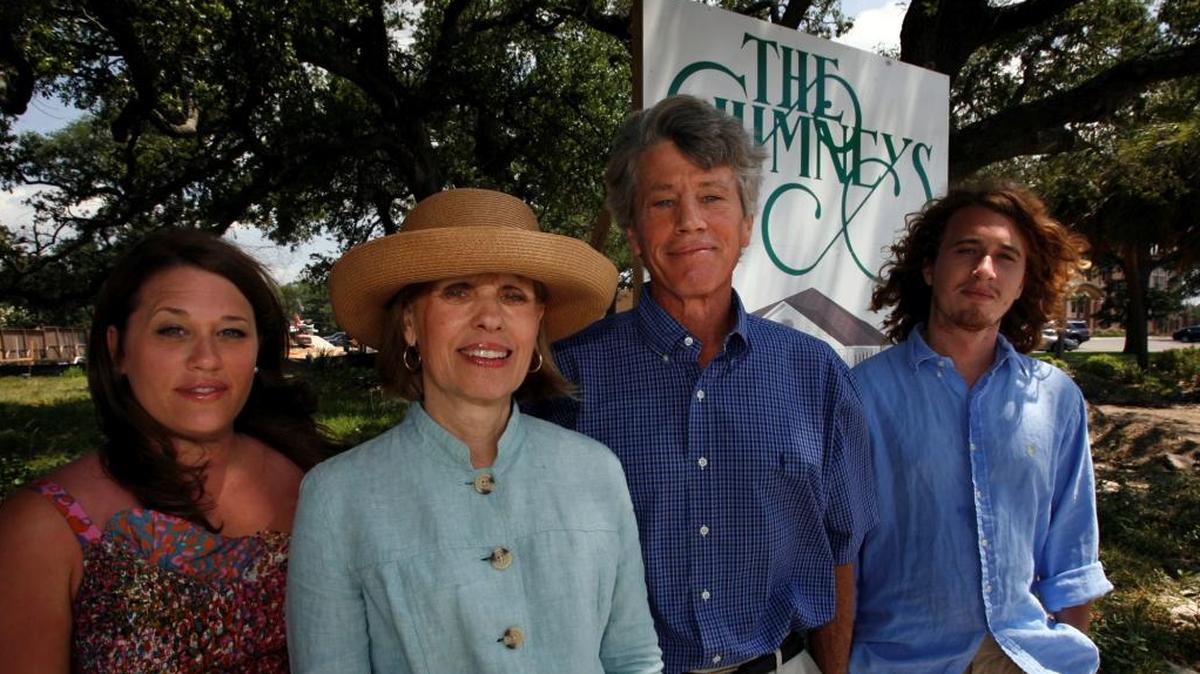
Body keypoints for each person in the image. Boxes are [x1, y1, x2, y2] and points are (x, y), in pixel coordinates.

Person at [537, 95, 877, 674]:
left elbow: (840, 548)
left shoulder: (815, 374)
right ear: (634, 233)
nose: (690, 220)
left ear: (747, 225)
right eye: (663, 202)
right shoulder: (567, 380)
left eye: (713, 198)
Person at [286, 188, 663, 674]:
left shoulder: (597, 471)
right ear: (409, 323)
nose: (490, 318)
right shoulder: (338, 498)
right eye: (458, 291)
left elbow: (632, 657)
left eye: (513, 295)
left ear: (537, 324)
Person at [0, 229, 334, 673]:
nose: (206, 358)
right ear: (117, 349)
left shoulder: (322, 483)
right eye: (173, 330)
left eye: (231, 332)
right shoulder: (40, 529)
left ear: (258, 350)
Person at [849, 182, 1113, 673]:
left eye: (1005, 257)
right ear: (930, 267)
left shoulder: (1056, 398)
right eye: (967, 250)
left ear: (1022, 281)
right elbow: (841, 560)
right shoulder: (862, 394)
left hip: (1024, 657)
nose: (984, 270)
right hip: (898, 660)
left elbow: (1072, 555)